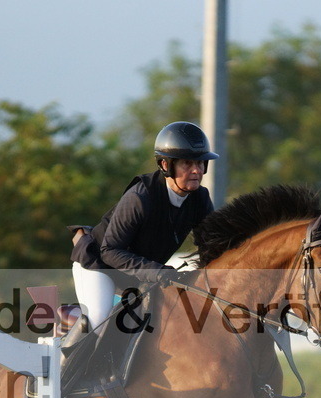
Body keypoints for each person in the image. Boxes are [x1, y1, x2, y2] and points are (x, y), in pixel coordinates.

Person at [68, 121, 218, 332]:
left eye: (201, 163)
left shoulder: (200, 198)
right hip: (99, 266)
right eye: (187, 163)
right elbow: (109, 251)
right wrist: (156, 272)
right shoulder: (140, 197)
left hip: (138, 274)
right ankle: (67, 363)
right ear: (166, 165)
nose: (197, 170)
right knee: (98, 321)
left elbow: (213, 244)